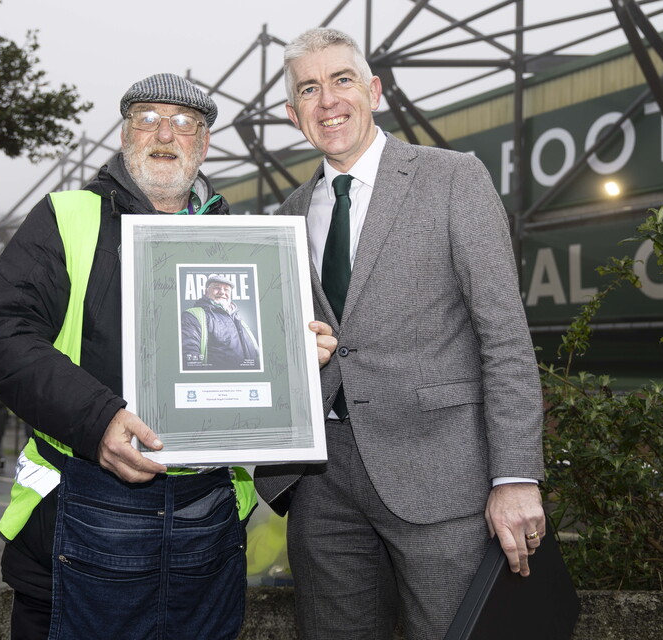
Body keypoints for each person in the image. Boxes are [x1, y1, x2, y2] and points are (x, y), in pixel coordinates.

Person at [253, 28, 546, 640]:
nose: (327, 100)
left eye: (342, 80)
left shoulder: (452, 178)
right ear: (292, 112)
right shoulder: (285, 216)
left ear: (375, 91)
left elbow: (506, 339)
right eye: (309, 89)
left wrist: (515, 477)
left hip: (439, 474)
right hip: (320, 481)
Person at [0, 73, 251, 640]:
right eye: (147, 118)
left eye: (183, 123)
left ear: (203, 143)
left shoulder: (245, 239)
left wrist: (301, 349)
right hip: (81, 508)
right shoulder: (67, 217)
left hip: (209, 522)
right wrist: (96, 419)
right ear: (125, 135)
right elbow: (3, 331)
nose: (164, 134)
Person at [181, 274, 261, 370]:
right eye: (216, 288)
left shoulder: (240, 321)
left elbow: (257, 354)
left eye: (226, 289)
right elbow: (190, 357)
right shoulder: (193, 316)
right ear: (206, 292)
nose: (222, 292)